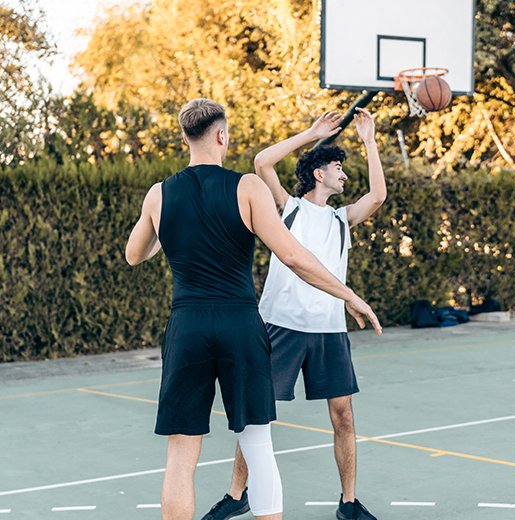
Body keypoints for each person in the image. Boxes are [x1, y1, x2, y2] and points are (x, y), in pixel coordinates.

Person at [125, 99, 382, 520]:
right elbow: (295, 258)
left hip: (187, 325)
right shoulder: (247, 187)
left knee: (181, 452)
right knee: (258, 444)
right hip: (240, 324)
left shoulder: (159, 194)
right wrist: (350, 296)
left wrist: (163, 228)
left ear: (185, 137)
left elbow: (135, 254)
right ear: (222, 135)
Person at [202, 109, 386, 520]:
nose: (343, 174)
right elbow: (262, 162)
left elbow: (377, 197)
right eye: (338, 167)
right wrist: (312, 133)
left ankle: (349, 503)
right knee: (257, 413)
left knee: (343, 417)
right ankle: (237, 494)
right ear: (319, 174)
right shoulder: (286, 207)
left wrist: (370, 140)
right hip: (279, 326)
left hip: (328, 330)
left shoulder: (342, 220)